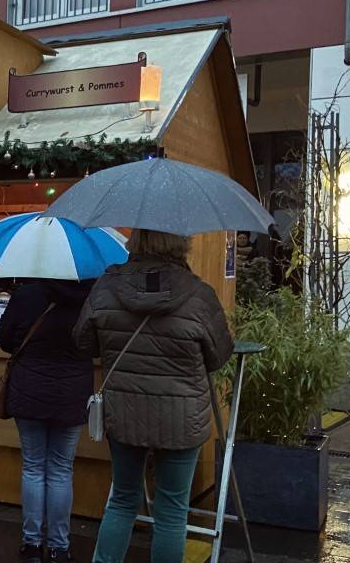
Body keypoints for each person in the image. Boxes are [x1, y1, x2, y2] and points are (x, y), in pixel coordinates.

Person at [75, 229, 233, 563]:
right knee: (172, 510)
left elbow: (84, 343)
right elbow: (219, 356)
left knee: (122, 499)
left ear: (136, 241)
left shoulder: (105, 287)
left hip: (124, 411)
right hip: (182, 417)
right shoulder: (200, 295)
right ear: (180, 244)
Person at [0, 279, 95, 563]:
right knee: (62, 469)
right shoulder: (92, 296)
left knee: (33, 466)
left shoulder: (27, 294)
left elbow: (4, 338)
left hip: (29, 388)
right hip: (72, 392)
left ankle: (32, 544)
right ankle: (59, 547)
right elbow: (97, 345)